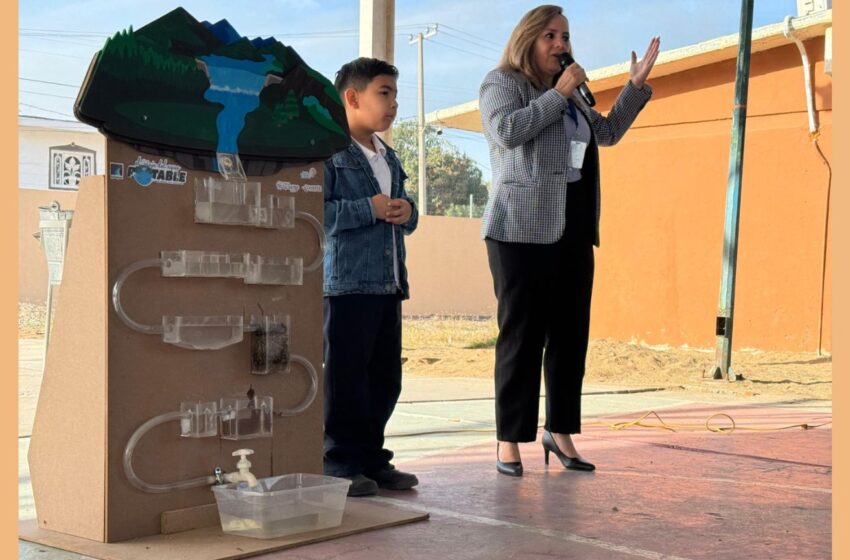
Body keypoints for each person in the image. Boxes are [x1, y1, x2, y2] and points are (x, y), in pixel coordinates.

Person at [479, 5, 660, 476]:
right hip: (520, 228)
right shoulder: (503, 83)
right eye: (550, 36)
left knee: (569, 337)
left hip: (574, 225)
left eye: (564, 36)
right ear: (527, 40)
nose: (561, 44)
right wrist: (558, 95)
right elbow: (508, 131)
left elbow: (606, 133)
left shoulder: (573, 92)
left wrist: (633, 88)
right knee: (522, 336)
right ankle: (509, 440)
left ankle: (560, 433)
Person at [322, 57, 420, 496]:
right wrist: (370, 209)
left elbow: (403, 215)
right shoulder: (328, 153)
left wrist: (407, 212)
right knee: (346, 377)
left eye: (395, 94)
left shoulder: (389, 157)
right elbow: (313, 213)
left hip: (388, 283)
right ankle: (339, 460)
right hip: (346, 284)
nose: (394, 103)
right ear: (352, 97)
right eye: (385, 93)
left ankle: (371, 458)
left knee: (384, 378)